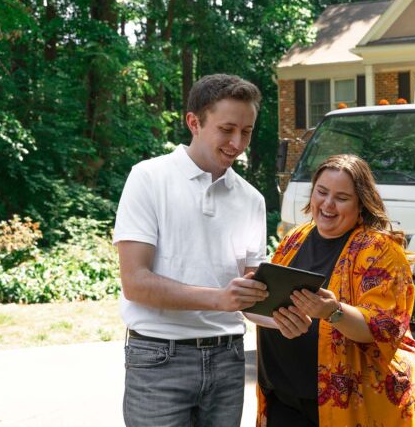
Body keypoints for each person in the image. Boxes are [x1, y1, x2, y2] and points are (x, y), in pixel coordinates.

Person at [114, 74, 311, 427]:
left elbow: (250, 296)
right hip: (159, 358)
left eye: (246, 131)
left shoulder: (251, 199)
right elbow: (136, 283)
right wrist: (220, 299)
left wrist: (285, 318)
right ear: (194, 122)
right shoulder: (148, 178)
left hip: (228, 359)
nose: (238, 143)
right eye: (227, 129)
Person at [256, 154, 415, 426]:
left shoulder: (381, 252)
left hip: (348, 407)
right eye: (321, 192)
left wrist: (333, 312)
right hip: (283, 397)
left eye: (342, 198)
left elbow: (383, 328)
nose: (327, 204)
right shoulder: (295, 238)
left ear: (362, 203)